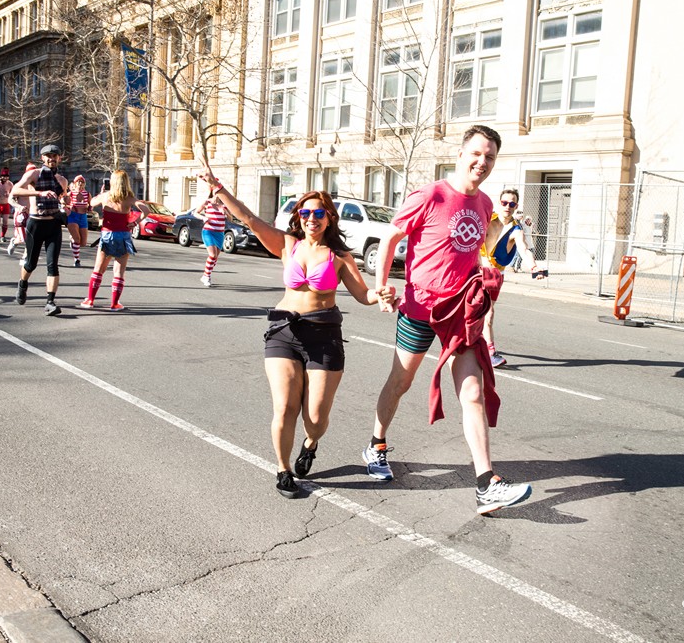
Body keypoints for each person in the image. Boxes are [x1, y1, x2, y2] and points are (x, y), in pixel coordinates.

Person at [197, 157, 395, 498]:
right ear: (298, 217)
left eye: (318, 213)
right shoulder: (288, 245)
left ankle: (310, 442)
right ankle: (283, 469)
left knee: (315, 417)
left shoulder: (339, 257)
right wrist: (218, 187)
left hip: (323, 336)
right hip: (284, 332)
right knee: (285, 407)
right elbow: (248, 217)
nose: (311, 219)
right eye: (305, 213)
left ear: (329, 217)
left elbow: (363, 295)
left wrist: (381, 294)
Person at [367, 125, 532, 516]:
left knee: (472, 392)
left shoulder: (485, 203)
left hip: (460, 311)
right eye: (477, 153)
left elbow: (485, 246)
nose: (482, 162)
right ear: (460, 154)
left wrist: (509, 248)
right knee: (401, 381)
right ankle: (376, 445)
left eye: (490, 157)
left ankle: (485, 484)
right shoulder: (431, 194)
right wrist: (382, 287)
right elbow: (391, 238)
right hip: (421, 307)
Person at [480, 188, 539, 368]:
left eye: (511, 204)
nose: (507, 207)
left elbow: (523, 248)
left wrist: (534, 266)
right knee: (476, 311)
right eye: (504, 203)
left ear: (516, 206)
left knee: (487, 313)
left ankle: (486, 350)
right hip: (476, 269)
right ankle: (488, 350)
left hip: (495, 275)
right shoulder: (487, 219)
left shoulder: (516, 229)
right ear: (500, 203)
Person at [78, 170, 149, 311]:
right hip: (123, 236)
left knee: (98, 269)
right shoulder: (129, 198)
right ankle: (115, 303)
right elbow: (145, 209)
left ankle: (90, 300)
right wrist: (135, 222)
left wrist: (100, 193)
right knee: (119, 271)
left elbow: (91, 202)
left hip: (107, 235)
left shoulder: (106, 196)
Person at [10, 146, 68, 316]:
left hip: (53, 225)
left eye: (54, 156)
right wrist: (39, 193)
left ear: (59, 158)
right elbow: (15, 190)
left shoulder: (62, 180)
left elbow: (62, 198)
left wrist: (66, 205)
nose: (51, 159)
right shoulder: (33, 174)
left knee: (53, 265)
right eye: (48, 156)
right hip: (36, 224)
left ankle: (50, 301)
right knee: (31, 263)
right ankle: (22, 284)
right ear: (42, 158)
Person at [193, 188, 229, 286]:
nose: (218, 194)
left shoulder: (224, 205)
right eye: (216, 192)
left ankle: (205, 275)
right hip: (208, 231)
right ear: (212, 192)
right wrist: (203, 217)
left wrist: (226, 213)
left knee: (215, 257)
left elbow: (230, 219)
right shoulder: (207, 202)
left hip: (220, 233)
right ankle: (206, 276)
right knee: (212, 255)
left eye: (220, 192)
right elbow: (195, 213)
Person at [6, 162, 37, 263]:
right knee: (22, 239)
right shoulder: (19, 186)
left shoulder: (38, 186)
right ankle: (14, 241)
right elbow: (10, 200)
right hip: (21, 215)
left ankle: (25, 257)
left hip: (33, 215)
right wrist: (18, 206)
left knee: (31, 238)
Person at [65, 174, 91, 267]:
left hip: (83, 217)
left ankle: (72, 241)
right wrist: (68, 208)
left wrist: (89, 208)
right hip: (73, 216)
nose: (80, 184)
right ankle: (76, 259)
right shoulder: (71, 194)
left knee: (83, 243)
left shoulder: (87, 194)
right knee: (77, 239)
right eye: (78, 182)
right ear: (75, 184)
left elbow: (90, 205)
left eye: (82, 182)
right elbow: (62, 202)